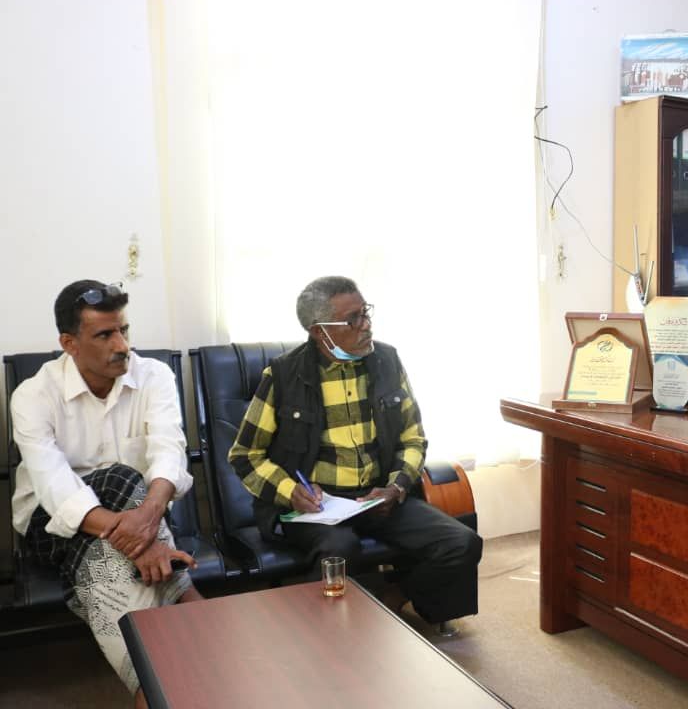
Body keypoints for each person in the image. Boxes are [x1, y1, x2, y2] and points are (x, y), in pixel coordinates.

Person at [229, 275, 482, 630]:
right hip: (316, 507)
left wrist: (396, 488)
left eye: (366, 313)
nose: (366, 325)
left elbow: (413, 438)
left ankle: (395, 597)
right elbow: (245, 455)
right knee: (339, 549)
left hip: (378, 496)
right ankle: (326, 637)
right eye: (353, 319)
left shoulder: (388, 361)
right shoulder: (284, 376)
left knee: (461, 542)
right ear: (320, 332)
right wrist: (290, 492)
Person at [11, 280, 201, 708]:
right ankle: (191, 605)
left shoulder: (154, 376)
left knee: (111, 559)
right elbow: (56, 488)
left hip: (137, 520)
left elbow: (169, 453)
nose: (122, 345)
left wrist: (147, 519)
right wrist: (146, 541)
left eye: (124, 330)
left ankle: (151, 689)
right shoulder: (33, 395)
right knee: (119, 477)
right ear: (69, 343)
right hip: (49, 524)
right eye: (104, 335)